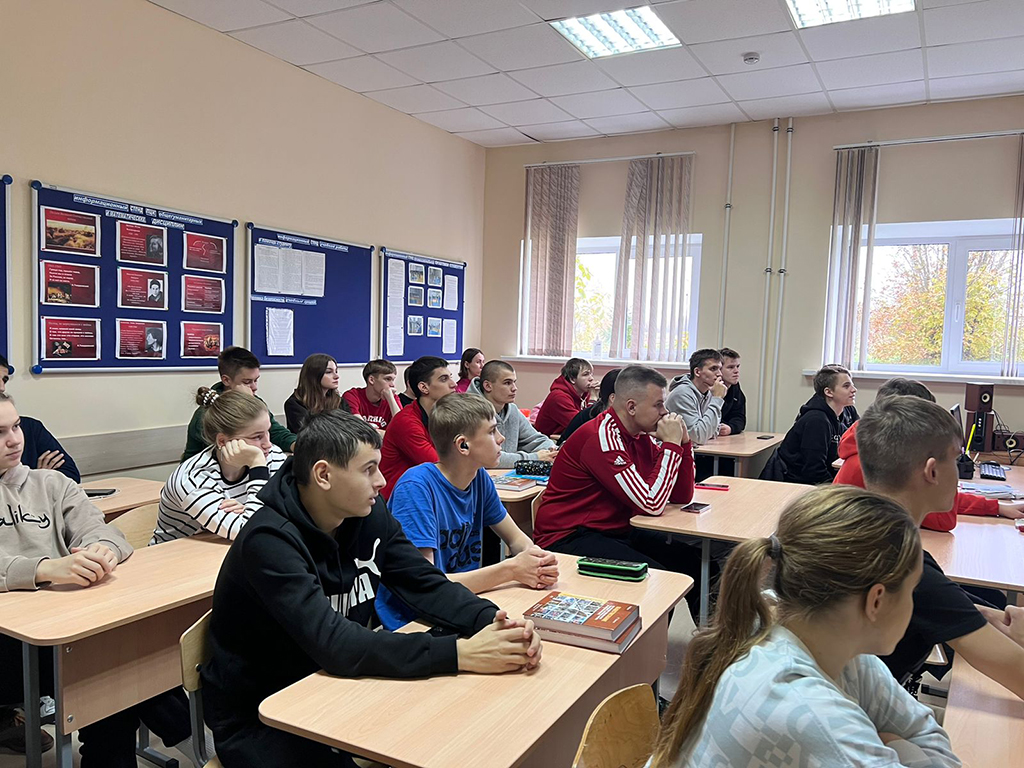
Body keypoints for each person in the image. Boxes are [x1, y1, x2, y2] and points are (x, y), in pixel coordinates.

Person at [202, 410, 542, 768]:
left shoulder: (367, 512)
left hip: (333, 686)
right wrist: (462, 654)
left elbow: (424, 582)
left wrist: (495, 623)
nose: (381, 481)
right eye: (368, 470)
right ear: (323, 475)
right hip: (262, 712)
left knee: (459, 735)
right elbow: (335, 643)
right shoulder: (269, 540)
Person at [649, 485, 958, 768]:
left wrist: (889, 744)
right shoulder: (807, 708)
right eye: (911, 591)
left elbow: (931, 738)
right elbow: (937, 754)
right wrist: (894, 744)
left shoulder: (835, 652)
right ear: (876, 601)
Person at [0, 393, 195, 765]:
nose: (15, 440)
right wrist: (43, 569)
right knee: (115, 666)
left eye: (17, 426)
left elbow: (102, 530)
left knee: (116, 668)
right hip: (12, 646)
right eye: (0, 432)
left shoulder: (51, 484)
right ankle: (199, 744)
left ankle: (193, 744)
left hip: (67, 632)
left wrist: (102, 550)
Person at [858, 395, 1024, 698]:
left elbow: (941, 606)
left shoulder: (864, 533)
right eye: (957, 459)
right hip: (866, 715)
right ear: (932, 471)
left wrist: (992, 616)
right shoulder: (905, 566)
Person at [533, 365, 704, 617]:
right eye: (658, 405)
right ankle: (648, 643)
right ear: (632, 407)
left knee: (696, 562)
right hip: (570, 537)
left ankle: (715, 639)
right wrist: (670, 445)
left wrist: (684, 444)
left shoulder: (641, 436)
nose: (665, 412)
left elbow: (681, 496)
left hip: (614, 530)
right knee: (660, 583)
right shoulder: (602, 437)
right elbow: (652, 504)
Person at [376, 393, 559, 629]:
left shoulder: (479, 477)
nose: (501, 438)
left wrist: (538, 561)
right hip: (413, 620)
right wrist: (512, 569)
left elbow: (516, 540)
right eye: (492, 431)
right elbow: (427, 588)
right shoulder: (416, 489)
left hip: (460, 602)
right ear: (463, 445)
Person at [835, 377, 1023, 531]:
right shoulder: (875, 463)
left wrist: (995, 507)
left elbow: (935, 496)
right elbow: (943, 519)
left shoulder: (879, 450)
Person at [155, 388, 287, 543]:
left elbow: (294, 509)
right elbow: (248, 531)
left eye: (267, 432)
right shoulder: (192, 479)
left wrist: (247, 510)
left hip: (228, 545)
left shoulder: (272, 455)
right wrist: (258, 468)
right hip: (175, 553)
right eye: (257, 436)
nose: (268, 444)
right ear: (223, 441)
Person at [183, 346, 296, 460]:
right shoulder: (208, 413)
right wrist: (244, 404)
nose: (254, 387)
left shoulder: (256, 401)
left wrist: (297, 445)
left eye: (256, 380)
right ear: (226, 380)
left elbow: (275, 431)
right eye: (247, 382)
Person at [379, 356, 456, 500]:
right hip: (399, 499)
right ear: (424, 387)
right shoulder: (406, 422)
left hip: (428, 491)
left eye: (450, 377)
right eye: (444, 379)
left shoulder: (444, 415)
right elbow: (440, 466)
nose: (454, 384)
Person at [769, 364, 858, 485]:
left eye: (852, 385)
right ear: (828, 392)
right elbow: (814, 471)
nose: (854, 389)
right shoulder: (816, 421)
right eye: (846, 386)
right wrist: (837, 488)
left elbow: (860, 441)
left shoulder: (848, 410)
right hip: (800, 483)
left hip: (828, 475)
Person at [0, 354, 80, 482]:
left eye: (4, 380)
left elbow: (70, 475)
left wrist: (38, 480)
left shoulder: (30, 427)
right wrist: (37, 481)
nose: (2, 387)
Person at [467, 361, 557, 467]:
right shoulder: (471, 412)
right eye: (507, 383)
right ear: (487, 386)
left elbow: (536, 439)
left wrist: (552, 451)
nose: (514, 388)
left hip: (506, 474)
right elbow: (486, 457)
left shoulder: (512, 410)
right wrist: (534, 458)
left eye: (514, 382)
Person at [666, 349, 727, 445]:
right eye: (713, 369)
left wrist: (707, 431)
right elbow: (699, 437)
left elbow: (714, 431)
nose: (720, 374)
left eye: (720, 369)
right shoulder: (682, 393)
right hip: (669, 450)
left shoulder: (708, 392)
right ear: (697, 372)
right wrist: (717, 399)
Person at [283, 353, 349, 434]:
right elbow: (312, 434)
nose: (336, 376)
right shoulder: (295, 404)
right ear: (314, 375)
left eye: (336, 371)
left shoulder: (339, 401)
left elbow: (351, 428)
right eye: (328, 372)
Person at [534, 357, 596, 436]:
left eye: (591, 374)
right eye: (586, 374)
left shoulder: (584, 394)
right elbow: (583, 426)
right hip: (547, 440)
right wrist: (593, 400)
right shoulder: (558, 397)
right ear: (572, 379)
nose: (591, 378)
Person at [342, 359, 401, 429]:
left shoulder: (392, 398)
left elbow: (402, 426)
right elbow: (359, 427)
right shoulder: (352, 395)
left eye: (393, 380)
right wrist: (386, 434)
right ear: (371, 380)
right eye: (388, 379)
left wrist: (391, 399)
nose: (392, 385)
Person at [718, 348, 745, 436]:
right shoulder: (708, 389)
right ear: (718, 370)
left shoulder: (734, 386)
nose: (736, 371)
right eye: (730, 367)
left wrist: (731, 428)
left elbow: (739, 417)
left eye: (737, 366)